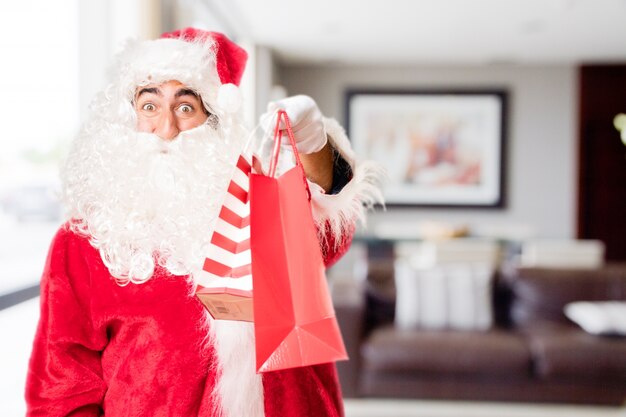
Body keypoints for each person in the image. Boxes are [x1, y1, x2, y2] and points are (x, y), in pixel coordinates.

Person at [25, 28, 381, 417]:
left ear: (213, 122)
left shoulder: (256, 202)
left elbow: (329, 238)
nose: (166, 128)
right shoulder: (82, 240)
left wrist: (313, 146)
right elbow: (62, 387)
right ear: (128, 118)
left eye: (184, 107)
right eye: (149, 106)